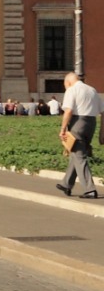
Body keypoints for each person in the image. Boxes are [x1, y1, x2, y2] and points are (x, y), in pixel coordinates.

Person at [56, 71, 100, 199]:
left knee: (79, 156)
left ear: (68, 82)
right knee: (77, 153)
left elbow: (68, 110)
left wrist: (63, 128)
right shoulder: (92, 90)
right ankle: (66, 184)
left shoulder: (71, 90)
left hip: (77, 122)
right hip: (91, 123)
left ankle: (90, 189)